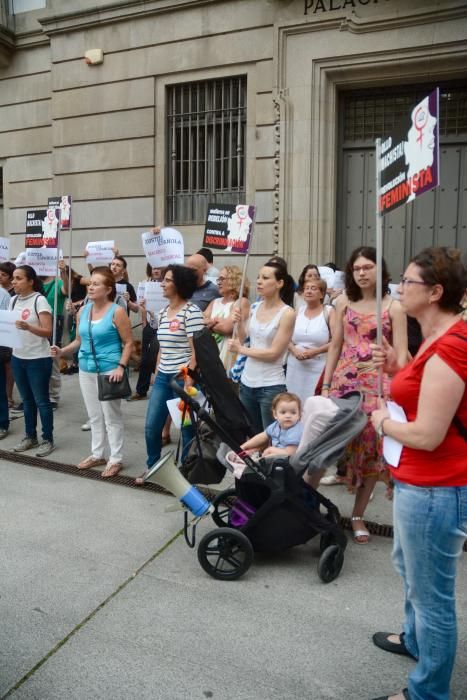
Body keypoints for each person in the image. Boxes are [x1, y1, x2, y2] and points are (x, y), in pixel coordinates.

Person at [368, 247, 466, 700]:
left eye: (407, 282)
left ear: (435, 291)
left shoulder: (450, 344)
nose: (399, 289)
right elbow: (426, 389)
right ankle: (414, 641)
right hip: (420, 481)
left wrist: (381, 423)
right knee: (409, 568)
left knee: (433, 598)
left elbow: (428, 434)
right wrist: (398, 369)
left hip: (436, 488)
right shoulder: (434, 337)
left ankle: (427, 692)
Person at [320, 246, 407, 544]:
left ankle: (358, 514)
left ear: (379, 270)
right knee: (329, 443)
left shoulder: (394, 308)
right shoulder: (343, 303)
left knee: (371, 452)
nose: (362, 273)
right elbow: (334, 346)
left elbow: (404, 355)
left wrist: (398, 380)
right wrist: (327, 385)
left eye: (367, 267)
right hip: (345, 384)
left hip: (378, 388)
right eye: (357, 268)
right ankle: (308, 503)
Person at [52, 267, 133, 477]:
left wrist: (121, 367)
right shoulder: (83, 310)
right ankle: (97, 454)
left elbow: (129, 343)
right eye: (90, 283)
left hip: (109, 370)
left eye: (96, 284)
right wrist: (62, 351)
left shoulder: (117, 311)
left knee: (111, 417)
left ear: (108, 289)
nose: (91, 287)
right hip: (85, 369)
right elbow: (79, 341)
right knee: (94, 415)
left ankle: (116, 458)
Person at [137, 264, 205, 484]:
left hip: (183, 380)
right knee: (151, 428)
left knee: (186, 431)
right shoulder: (164, 312)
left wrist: (188, 380)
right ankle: (154, 468)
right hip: (164, 378)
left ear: (179, 285)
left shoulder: (192, 312)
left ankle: (184, 474)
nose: (162, 284)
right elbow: (162, 348)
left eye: (167, 280)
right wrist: (157, 373)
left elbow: (197, 353)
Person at [228, 261, 296, 435]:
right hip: (246, 382)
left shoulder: (287, 313)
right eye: (258, 277)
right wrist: (240, 322)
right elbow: (245, 340)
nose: (259, 281)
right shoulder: (255, 306)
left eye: (265, 278)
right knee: (251, 435)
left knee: (271, 437)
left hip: (270, 385)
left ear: (280, 283)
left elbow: (273, 353)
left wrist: (240, 350)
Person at [10, 265, 55, 457]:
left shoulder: (40, 300)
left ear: (30, 281)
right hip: (18, 357)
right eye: (13, 278)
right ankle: (30, 436)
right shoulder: (12, 301)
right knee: (27, 401)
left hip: (38, 358)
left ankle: (48, 439)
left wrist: (28, 327)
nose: (14, 282)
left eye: (18, 278)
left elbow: (48, 332)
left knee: (42, 401)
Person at [287, 278, 334, 405]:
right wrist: (294, 350)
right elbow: (286, 338)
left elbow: (337, 341)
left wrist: (315, 351)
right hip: (295, 366)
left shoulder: (329, 312)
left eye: (313, 288)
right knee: (293, 401)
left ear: (322, 294)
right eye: (306, 288)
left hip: (317, 366)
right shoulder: (298, 311)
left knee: (312, 403)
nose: (308, 291)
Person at [204, 265, 250, 370]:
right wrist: (215, 322)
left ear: (234, 280)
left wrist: (209, 324)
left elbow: (227, 328)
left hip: (229, 358)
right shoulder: (215, 302)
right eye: (218, 279)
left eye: (222, 279)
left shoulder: (241, 301)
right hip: (211, 356)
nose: (218, 282)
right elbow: (198, 322)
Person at [128, 263, 162, 401]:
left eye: (159, 267)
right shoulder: (145, 284)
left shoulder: (169, 284)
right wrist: (144, 323)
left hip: (164, 324)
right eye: (154, 268)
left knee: (157, 357)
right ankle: (141, 390)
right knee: (145, 358)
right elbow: (142, 306)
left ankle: (159, 388)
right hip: (149, 324)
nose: (156, 270)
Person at [41, 259, 69, 408]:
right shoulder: (33, 283)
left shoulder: (57, 283)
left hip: (52, 324)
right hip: (35, 324)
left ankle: (53, 396)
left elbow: (67, 289)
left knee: (52, 362)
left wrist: (63, 272)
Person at [240, 392, 303, 458]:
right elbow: (262, 436)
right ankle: (249, 454)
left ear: (299, 415)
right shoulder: (276, 425)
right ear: (275, 414)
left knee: (266, 453)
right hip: (275, 455)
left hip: (287, 460)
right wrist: (243, 446)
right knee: (254, 449)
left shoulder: (296, 431)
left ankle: (257, 459)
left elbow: (290, 453)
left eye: (293, 413)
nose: (288, 416)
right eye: (283, 412)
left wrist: (270, 450)